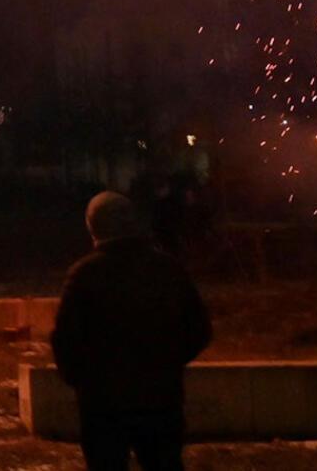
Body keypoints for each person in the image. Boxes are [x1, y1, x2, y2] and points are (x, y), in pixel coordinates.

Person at [52, 191, 213, 471]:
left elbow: (65, 341)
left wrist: (84, 380)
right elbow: (198, 329)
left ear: (93, 227)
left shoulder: (84, 275)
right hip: (160, 398)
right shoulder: (166, 269)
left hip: (103, 404)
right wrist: (168, 363)